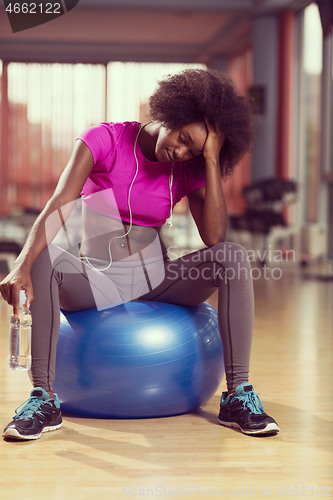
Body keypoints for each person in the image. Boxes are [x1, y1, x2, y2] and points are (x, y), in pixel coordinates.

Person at [0, 68, 279, 441]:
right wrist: (21, 264)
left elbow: (214, 236)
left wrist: (209, 161)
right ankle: (44, 398)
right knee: (46, 256)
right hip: (98, 278)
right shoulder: (105, 139)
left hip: (155, 279)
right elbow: (59, 204)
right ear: (169, 114)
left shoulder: (186, 167)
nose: (180, 152)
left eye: (193, 150)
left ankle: (238, 394)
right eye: (182, 139)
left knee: (231, 255)